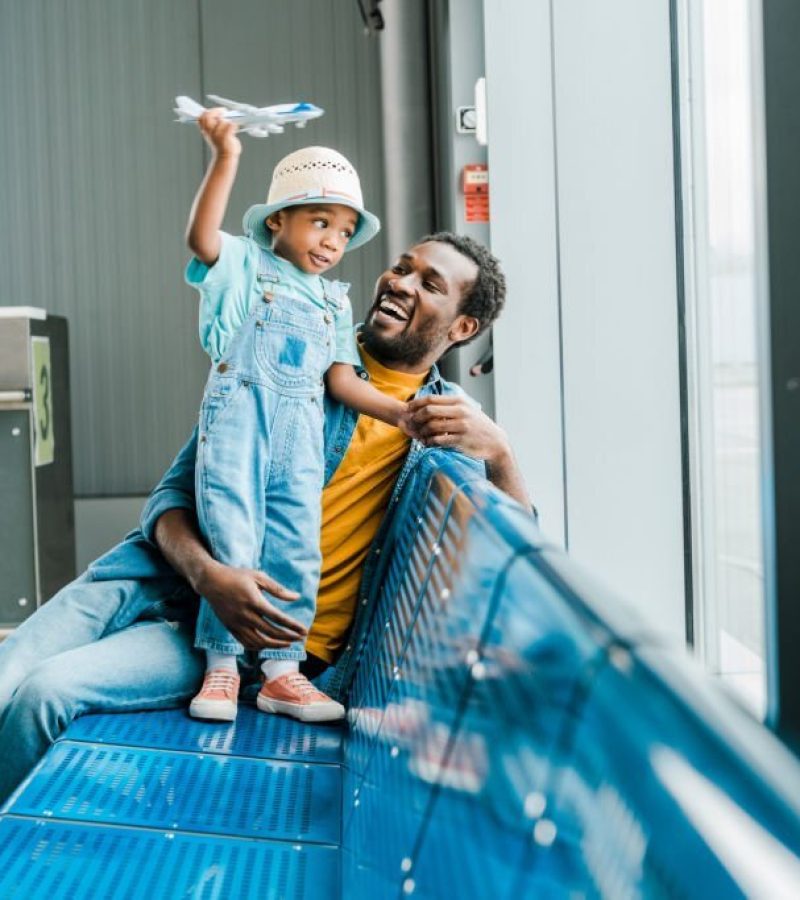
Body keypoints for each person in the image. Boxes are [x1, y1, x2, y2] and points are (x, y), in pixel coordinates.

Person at [0, 229, 531, 803]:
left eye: (429, 284)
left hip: (277, 658)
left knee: (45, 693)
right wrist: (210, 577)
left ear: (463, 328)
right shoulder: (287, 355)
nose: (399, 283)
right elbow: (169, 502)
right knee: (20, 680)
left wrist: (501, 453)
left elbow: (516, 561)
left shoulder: (447, 427)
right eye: (402, 268)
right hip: (183, 606)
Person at [183, 110, 411, 725]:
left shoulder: (333, 301)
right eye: (319, 223)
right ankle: (223, 667)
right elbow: (202, 240)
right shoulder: (244, 268)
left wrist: (401, 412)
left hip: (301, 437)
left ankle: (282, 671)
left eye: (343, 231)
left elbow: (340, 379)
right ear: (277, 221)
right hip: (239, 424)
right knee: (233, 535)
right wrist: (226, 156)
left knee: (295, 544)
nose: (332, 242)